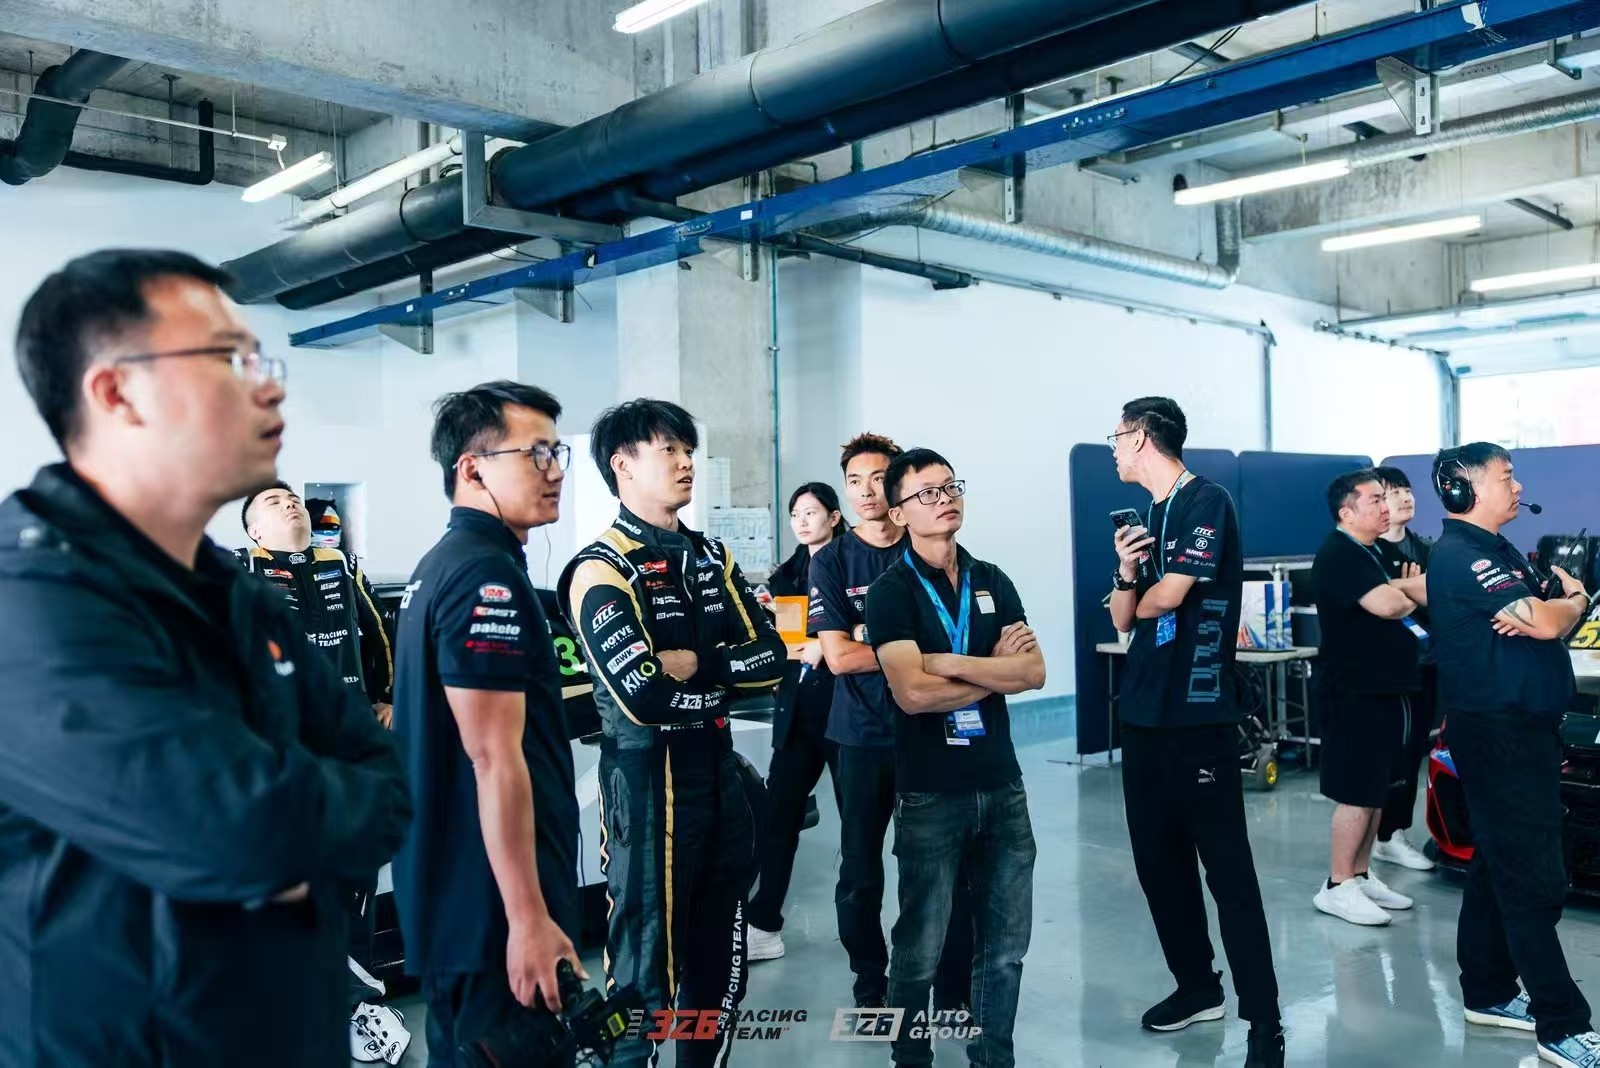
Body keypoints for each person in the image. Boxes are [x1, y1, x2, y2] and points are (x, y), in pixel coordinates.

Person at [0, 249, 411, 1067]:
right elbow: (243, 831)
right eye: (229, 359)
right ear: (116, 392)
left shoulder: (235, 588)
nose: (271, 387)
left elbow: (389, 785)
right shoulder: (33, 600)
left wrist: (293, 835)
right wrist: (292, 836)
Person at [558, 398, 786, 1067]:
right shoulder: (600, 567)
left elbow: (773, 659)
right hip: (648, 787)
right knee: (643, 974)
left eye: (688, 450)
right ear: (622, 465)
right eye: (669, 450)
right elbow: (647, 696)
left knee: (719, 967)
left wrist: (700, 665)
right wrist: (720, 674)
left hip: (719, 774)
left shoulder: (711, 555)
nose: (687, 462)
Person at [390, 381, 585, 1068]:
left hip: (460, 903)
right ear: (472, 469)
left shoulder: (445, 564)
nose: (555, 470)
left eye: (557, 452)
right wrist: (529, 919)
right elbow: (493, 758)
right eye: (536, 454)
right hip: (493, 914)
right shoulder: (484, 578)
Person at [1107, 396, 1283, 1068]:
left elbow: (1168, 597)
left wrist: (1139, 593)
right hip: (1143, 716)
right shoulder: (1147, 517)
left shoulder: (1206, 501)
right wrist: (1126, 572)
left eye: (1117, 437)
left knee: (1228, 873)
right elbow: (1123, 616)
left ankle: (1264, 1021)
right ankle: (1196, 987)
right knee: (1159, 866)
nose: (1114, 450)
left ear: (1141, 437)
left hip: (1198, 713)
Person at [866, 447, 1043, 1068]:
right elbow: (912, 695)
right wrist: (995, 671)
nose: (944, 499)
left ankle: (993, 1058)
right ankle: (910, 1057)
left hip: (1001, 785)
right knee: (920, 945)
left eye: (950, 487)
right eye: (927, 493)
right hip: (930, 793)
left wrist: (949, 663)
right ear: (898, 513)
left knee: (1005, 948)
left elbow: (1034, 672)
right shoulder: (890, 593)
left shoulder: (993, 579)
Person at [1427, 442, 1599, 1065]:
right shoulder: (1462, 557)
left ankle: (1488, 990)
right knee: (1532, 878)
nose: (1518, 486)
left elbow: (1539, 619)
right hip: (1499, 736)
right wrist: (1574, 602)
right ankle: (1561, 1023)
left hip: (1523, 731)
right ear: (1463, 489)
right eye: (1506, 477)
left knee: (1498, 863)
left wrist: (1553, 607)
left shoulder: (1497, 551)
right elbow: (1549, 622)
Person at [237, 479, 406, 1061]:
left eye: (292, 499)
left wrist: (386, 695)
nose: (290, 505)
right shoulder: (241, 576)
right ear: (254, 530)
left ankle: (359, 1007)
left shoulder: (340, 564)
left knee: (358, 879)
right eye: (273, 503)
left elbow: (379, 634)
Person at [808, 432, 973, 1011]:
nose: (865, 491)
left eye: (877, 479)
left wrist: (879, 644)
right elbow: (837, 657)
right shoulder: (832, 561)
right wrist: (910, 652)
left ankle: (950, 986)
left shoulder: (927, 550)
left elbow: (956, 639)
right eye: (853, 481)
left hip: (927, 728)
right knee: (860, 869)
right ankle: (870, 980)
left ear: (898, 489)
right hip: (860, 736)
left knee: (939, 865)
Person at [1310, 470, 1429, 927]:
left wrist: (1399, 589)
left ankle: (1360, 874)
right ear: (1347, 512)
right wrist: (1404, 590)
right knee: (1357, 793)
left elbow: (1409, 592)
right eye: (1376, 499)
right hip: (1352, 692)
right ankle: (1338, 884)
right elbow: (1391, 605)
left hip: (1383, 688)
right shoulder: (1340, 553)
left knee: (1378, 788)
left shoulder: (1372, 551)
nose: (1386, 506)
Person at [746, 482, 847, 961]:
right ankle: (764, 924)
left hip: (848, 714)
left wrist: (823, 646)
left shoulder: (856, 565)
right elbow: (781, 643)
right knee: (778, 816)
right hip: (798, 713)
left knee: (860, 829)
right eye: (795, 514)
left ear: (834, 517)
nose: (803, 521)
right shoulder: (785, 576)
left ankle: (866, 938)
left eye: (811, 512)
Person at [1369, 465, 1439, 872]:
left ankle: (1394, 832)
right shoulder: (1369, 552)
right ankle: (1382, 835)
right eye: (1393, 492)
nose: (1404, 497)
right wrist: (1410, 592)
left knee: (1414, 753)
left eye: (1406, 489)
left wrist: (1404, 592)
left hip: (1427, 665)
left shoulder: (1426, 548)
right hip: (1387, 668)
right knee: (1389, 754)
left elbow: (1437, 597)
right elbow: (1382, 607)